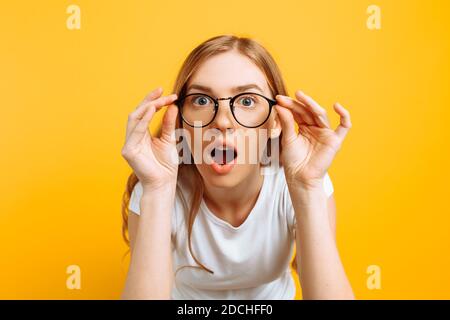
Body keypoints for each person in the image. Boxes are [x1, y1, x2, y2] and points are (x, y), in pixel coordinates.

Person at [120, 34, 354, 299]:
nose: (222, 121)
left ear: (276, 122)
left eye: (246, 101)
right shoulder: (156, 187)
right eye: (201, 100)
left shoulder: (303, 182)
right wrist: (157, 190)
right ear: (181, 121)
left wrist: (308, 188)